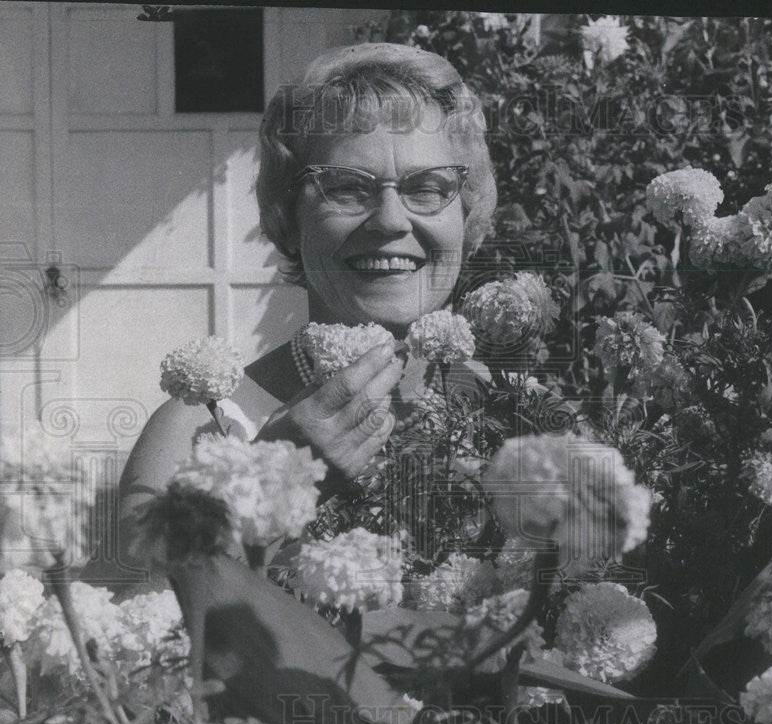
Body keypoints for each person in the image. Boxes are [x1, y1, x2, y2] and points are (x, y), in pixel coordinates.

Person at [110, 43, 498, 587]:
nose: (390, 220)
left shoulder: (514, 413)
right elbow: (124, 646)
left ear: (467, 209)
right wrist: (265, 487)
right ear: (287, 216)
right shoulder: (200, 427)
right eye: (345, 187)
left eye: (427, 188)